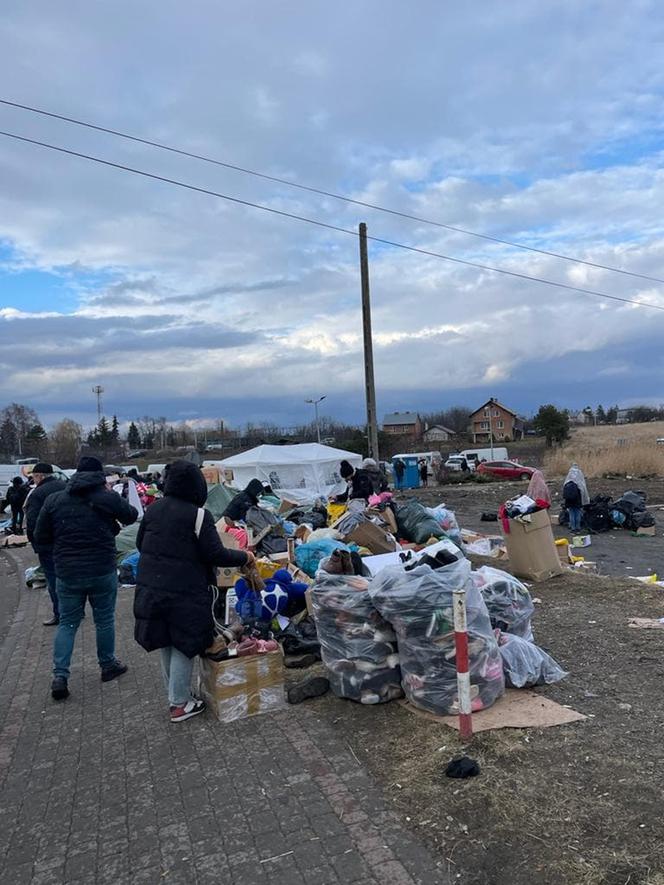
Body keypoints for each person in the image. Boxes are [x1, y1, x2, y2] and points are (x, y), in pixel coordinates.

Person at [134, 460, 254, 722]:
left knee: (165, 639)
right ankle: (179, 704)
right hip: (184, 589)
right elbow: (215, 553)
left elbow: (140, 543)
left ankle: (176, 695)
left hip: (151, 585)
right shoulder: (198, 515)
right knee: (185, 643)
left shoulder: (154, 510)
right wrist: (244, 556)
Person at [35, 456, 138, 700]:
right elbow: (132, 515)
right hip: (101, 569)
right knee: (103, 620)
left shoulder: (54, 499)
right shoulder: (106, 497)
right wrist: (109, 495)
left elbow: (40, 535)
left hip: (67, 573)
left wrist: (61, 551)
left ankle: (60, 675)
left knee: (68, 622)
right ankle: (107, 665)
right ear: (99, 475)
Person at [25, 463, 68, 626]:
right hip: (67, 541)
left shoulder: (37, 494)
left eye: (34, 476)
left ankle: (60, 613)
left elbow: (32, 521)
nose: (33, 480)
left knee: (53, 578)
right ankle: (76, 610)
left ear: (40, 476)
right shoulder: (65, 486)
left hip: (48, 544)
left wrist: (35, 540)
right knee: (68, 576)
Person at [563, 463, 589, 533]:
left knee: (571, 513)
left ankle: (573, 528)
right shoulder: (579, 477)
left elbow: (564, 490)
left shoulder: (568, 479)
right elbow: (583, 490)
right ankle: (578, 528)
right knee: (577, 513)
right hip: (577, 499)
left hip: (570, 500)